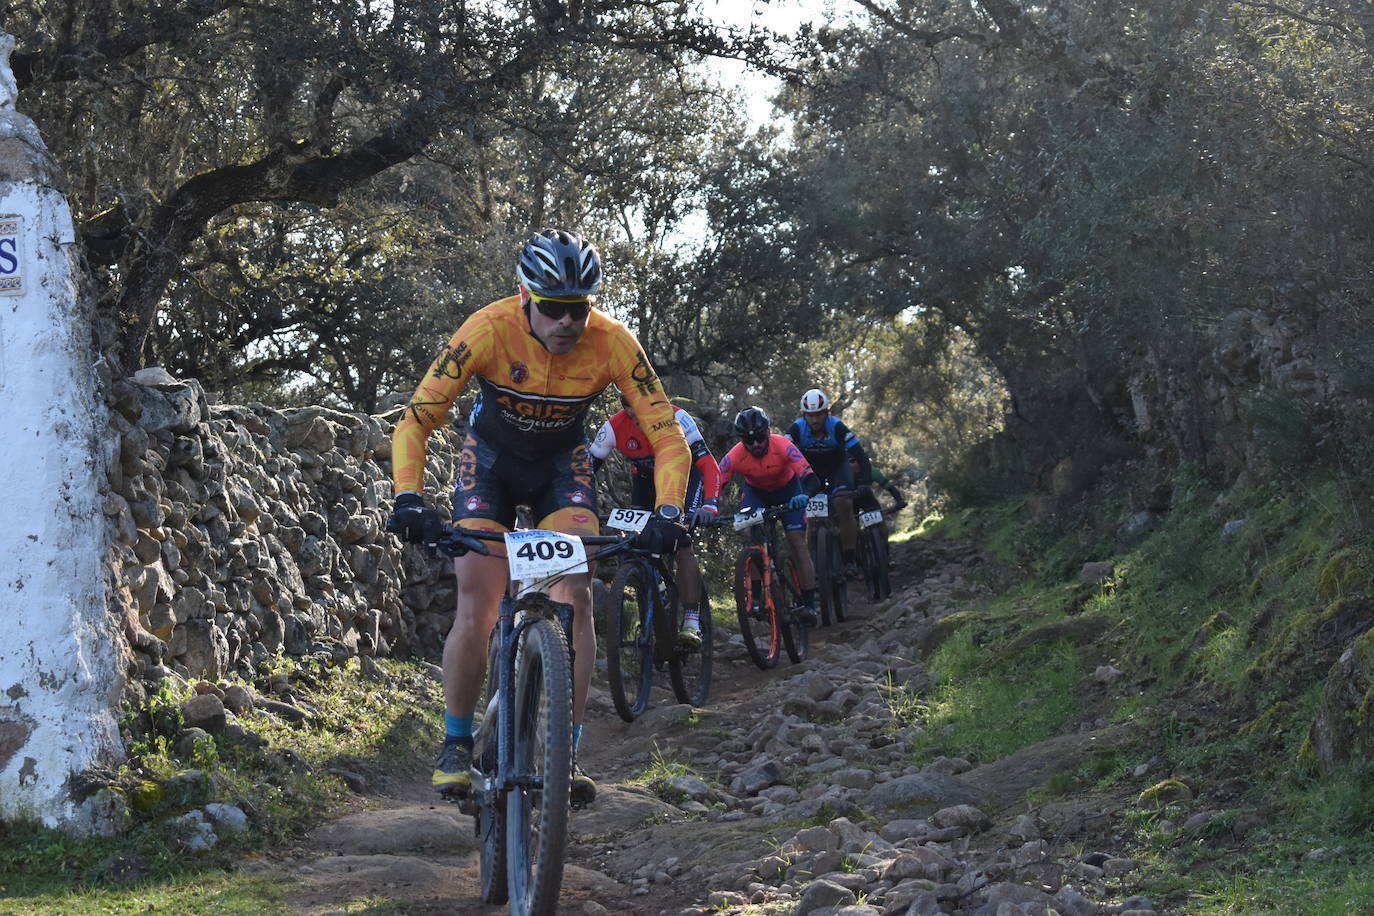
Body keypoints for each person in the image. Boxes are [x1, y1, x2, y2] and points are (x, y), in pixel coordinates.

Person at [387, 229, 691, 805]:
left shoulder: (614, 342)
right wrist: (408, 496)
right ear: (524, 295)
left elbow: (665, 433)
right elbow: (416, 419)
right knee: (478, 595)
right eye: (552, 308)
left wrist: (669, 511)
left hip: (561, 468)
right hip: (491, 466)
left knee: (574, 594)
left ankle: (564, 749)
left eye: (578, 308)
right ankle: (455, 743)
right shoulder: (487, 329)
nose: (567, 322)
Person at [590, 396, 722, 648]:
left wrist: (710, 503)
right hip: (645, 483)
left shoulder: (678, 417)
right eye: (632, 411)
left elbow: (707, 464)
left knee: (681, 539)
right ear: (624, 407)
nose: (640, 417)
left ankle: (692, 620)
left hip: (683, 477)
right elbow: (586, 470)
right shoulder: (613, 427)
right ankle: (654, 590)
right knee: (631, 541)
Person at [717, 406, 821, 625]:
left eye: (760, 438)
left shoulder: (783, 445)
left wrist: (805, 496)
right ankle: (756, 597)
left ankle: (810, 604)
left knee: (796, 542)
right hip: (757, 495)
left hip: (789, 491)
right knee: (749, 536)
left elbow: (811, 479)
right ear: (741, 440)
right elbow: (715, 486)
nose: (755, 444)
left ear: (768, 432)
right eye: (749, 440)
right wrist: (708, 508)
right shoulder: (735, 455)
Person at [786, 389, 873, 578]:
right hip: (811, 470)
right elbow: (782, 456)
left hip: (837, 468)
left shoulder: (838, 427)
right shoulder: (797, 429)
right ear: (804, 415)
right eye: (810, 415)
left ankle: (849, 559)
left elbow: (862, 458)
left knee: (844, 503)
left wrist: (865, 483)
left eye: (819, 415)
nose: (815, 420)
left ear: (827, 412)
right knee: (809, 513)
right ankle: (813, 564)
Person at [851, 456, 907, 565]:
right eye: (851, 461)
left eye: (857, 460)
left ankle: (886, 554)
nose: (854, 464)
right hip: (851, 502)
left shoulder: (871, 471)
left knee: (881, 525)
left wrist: (899, 500)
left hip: (868, 500)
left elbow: (889, 487)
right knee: (854, 532)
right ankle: (858, 562)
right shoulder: (843, 474)